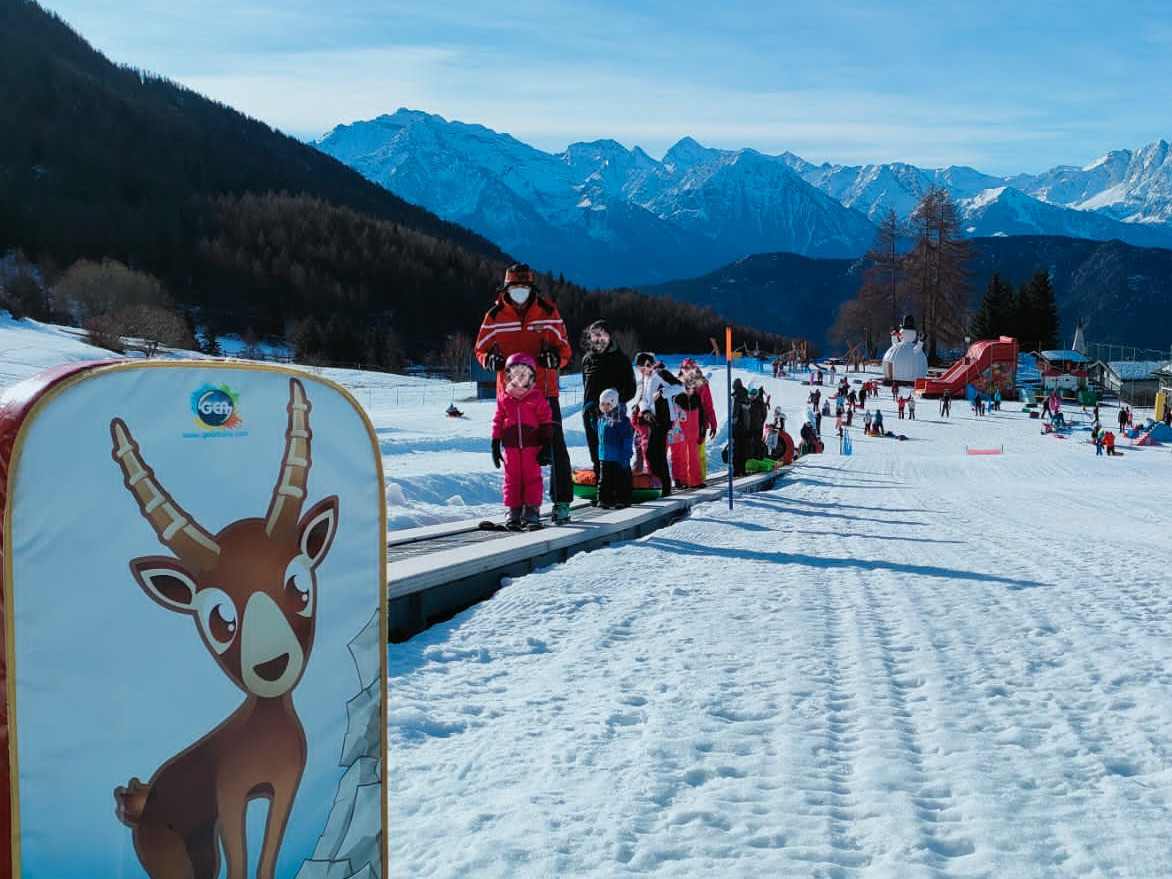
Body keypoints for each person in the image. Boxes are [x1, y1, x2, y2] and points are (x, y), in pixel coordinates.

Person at [475, 263, 575, 523]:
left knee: (554, 446)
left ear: (532, 288)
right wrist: (490, 361)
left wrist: (555, 359)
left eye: (524, 287)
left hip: (543, 392)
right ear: (506, 289)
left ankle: (561, 501)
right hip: (510, 396)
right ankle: (517, 508)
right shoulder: (495, 316)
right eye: (514, 288)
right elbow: (480, 349)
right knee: (516, 453)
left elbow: (565, 350)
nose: (519, 292)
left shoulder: (548, 312)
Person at [490, 353, 553, 531]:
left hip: (532, 446)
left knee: (532, 479)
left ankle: (532, 511)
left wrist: (546, 444)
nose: (519, 378)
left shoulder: (536, 398)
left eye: (523, 374)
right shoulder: (504, 398)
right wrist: (495, 442)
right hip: (510, 447)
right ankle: (514, 511)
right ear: (509, 376)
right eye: (516, 374)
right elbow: (498, 420)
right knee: (512, 479)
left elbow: (546, 421)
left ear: (531, 376)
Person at [579, 319, 636, 483]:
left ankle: (620, 489)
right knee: (597, 452)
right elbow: (586, 386)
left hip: (614, 415)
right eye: (594, 335)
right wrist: (590, 407)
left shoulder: (621, 359)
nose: (598, 339)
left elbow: (630, 389)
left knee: (615, 452)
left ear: (609, 336)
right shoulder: (587, 360)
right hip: (591, 413)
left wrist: (614, 405)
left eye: (602, 335)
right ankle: (602, 489)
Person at [630, 352, 681, 496]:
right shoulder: (647, 377)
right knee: (652, 453)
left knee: (655, 453)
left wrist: (663, 392)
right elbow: (644, 398)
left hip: (663, 417)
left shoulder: (660, 373)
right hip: (652, 418)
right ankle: (659, 484)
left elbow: (679, 387)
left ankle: (664, 486)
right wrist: (645, 411)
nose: (640, 370)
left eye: (640, 367)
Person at [678, 358, 718, 476]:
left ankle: (700, 478)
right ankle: (685, 479)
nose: (689, 371)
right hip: (682, 424)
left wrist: (713, 425)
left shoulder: (702, 385)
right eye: (686, 368)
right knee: (684, 453)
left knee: (698, 453)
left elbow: (708, 405)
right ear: (682, 369)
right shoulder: (677, 384)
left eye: (692, 368)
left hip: (699, 423)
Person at [595, 388, 634, 508]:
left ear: (614, 404)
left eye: (608, 404)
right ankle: (604, 499)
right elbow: (600, 433)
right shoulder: (602, 419)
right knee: (604, 479)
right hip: (604, 455)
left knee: (620, 479)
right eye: (603, 404)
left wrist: (626, 454)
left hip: (618, 456)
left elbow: (627, 438)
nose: (605, 407)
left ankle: (622, 499)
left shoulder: (621, 419)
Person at [668, 379, 706, 489]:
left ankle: (695, 481)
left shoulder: (697, 398)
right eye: (688, 388)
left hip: (694, 432)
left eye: (692, 388)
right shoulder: (677, 399)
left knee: (694, 457)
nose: (690, 391)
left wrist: (702, 433)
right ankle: (680, 480)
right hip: (679, 432)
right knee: (680, 456)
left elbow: (701, 417)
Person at [729, 377, 753, 477]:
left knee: (736, 449)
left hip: (738, 426)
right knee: (744, 449)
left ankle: (736, 470)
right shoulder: (746, 396)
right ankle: (742, 469)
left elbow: (735, 412)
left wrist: (733, 423)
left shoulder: (737, 397)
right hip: (746, 426)